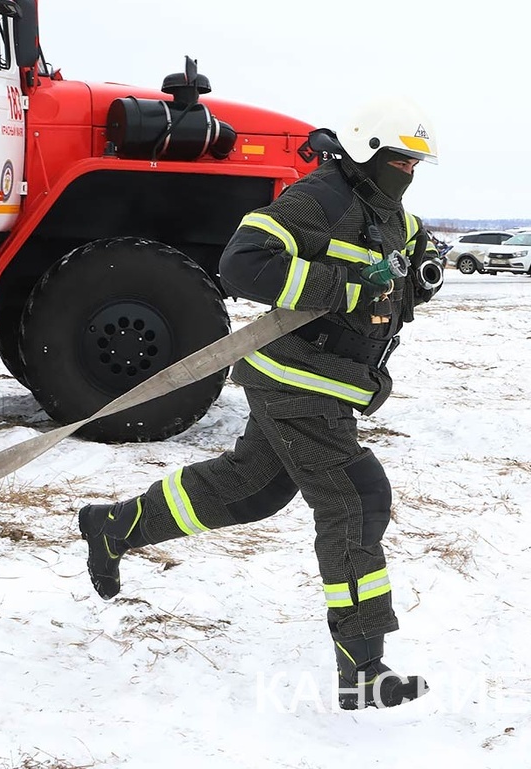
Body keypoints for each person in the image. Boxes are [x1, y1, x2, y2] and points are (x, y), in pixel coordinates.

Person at [77, 97, 442, 710]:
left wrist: (419, 276)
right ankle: (364, 667)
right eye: (401, 157)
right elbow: (243, 263)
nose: (408, 170)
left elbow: (402, 277)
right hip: (296, 379)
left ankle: (114, 527)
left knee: (252, 489)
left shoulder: (396, 217)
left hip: (331, 382)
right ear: (368, 151)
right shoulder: (320, 197)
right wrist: (347, 289)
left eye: (416, 161)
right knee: (356, 498)